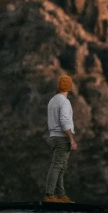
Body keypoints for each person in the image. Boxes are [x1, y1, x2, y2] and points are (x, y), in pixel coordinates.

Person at [44, 75, 77, 203]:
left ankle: (60, 194)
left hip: (53, 136)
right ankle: (50, 194)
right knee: (57, 166)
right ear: (69, 88)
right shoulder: (64, 102)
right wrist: (71, 139)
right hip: (62, 137)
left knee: (61, 166)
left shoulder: (52, 100)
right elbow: (64, 121)